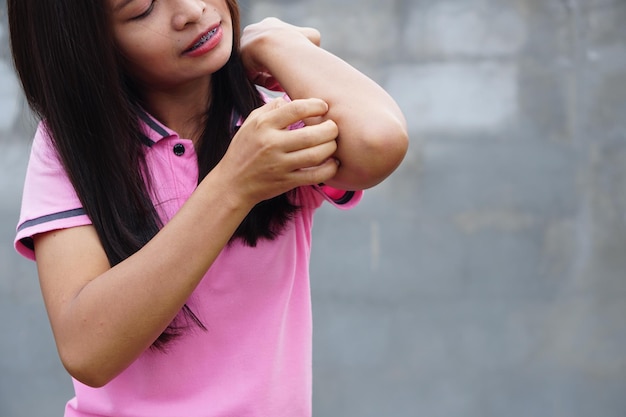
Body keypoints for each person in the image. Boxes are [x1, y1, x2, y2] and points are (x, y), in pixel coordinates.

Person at [9, 0, 408, 415]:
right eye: (143, 8)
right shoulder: (72, 149)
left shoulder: (269, 124)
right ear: (89, 47)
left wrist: (276, 42)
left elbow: (379, 141)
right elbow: (87, 350)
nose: (192, 10)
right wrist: (233, 185)